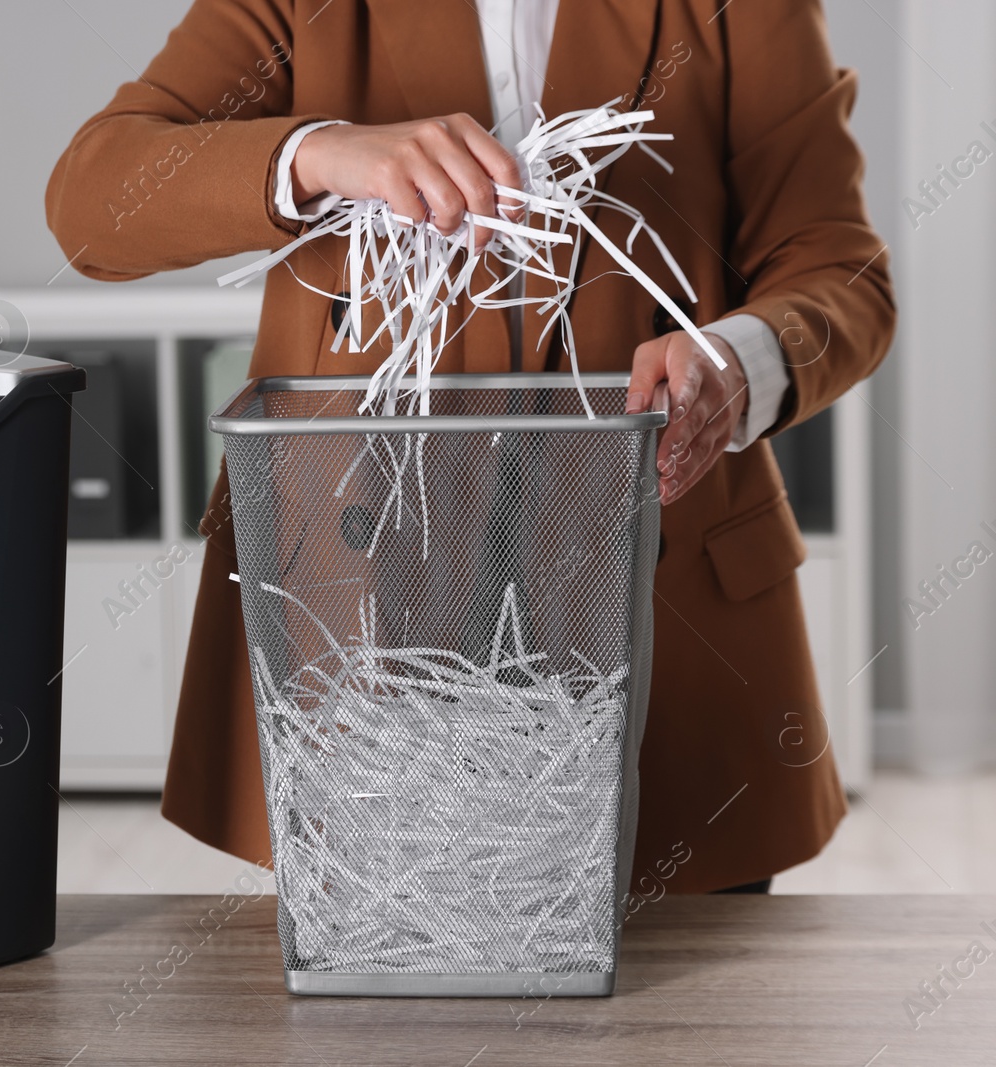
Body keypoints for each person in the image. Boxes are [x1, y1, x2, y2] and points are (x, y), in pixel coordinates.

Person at [46, 0, 893, 894]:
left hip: (662, 603)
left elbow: (841, 270)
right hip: (366, 622)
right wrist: (321, 149)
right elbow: (92, 198)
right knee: (378, 1006)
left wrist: (740, 358)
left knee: (687, 1017)